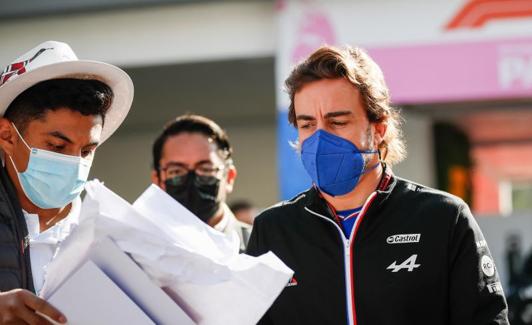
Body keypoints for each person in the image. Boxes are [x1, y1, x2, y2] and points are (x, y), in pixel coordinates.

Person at [246, 46, 509, 325]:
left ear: (379, 129)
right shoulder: (272, 230)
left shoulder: (443, 217)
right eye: (307, 124)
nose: (320, 138)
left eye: (338, 121)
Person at [0, 41, 133, 324]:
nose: (75, 163)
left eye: (86, 151)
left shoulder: (111, 234)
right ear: (7, 137)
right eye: (57, 147)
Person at [151, 114, 249, 251]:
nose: (192, 179)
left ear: (229, 178)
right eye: (176, 171)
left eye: (205, 169)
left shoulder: (263, 249)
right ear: (157, 181)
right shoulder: (137, 250)